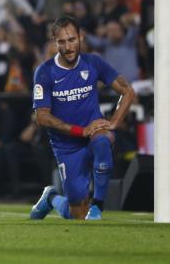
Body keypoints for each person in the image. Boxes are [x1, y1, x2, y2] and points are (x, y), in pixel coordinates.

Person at [30, 16, 135, 220]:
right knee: (76, 214)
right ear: (54, 41)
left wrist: (114, 122)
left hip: (94, 133)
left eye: (72, 39)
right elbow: (41, 117)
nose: (68, 46)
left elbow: (128, 91)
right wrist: (80, 130)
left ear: (81, 37)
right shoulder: (44, 72)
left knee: (104, 140)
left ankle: (98, 205)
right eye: (62, 41)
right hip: (66, 146)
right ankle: (52, 198)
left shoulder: (93, 63)